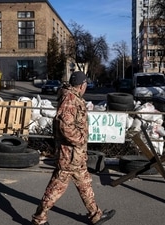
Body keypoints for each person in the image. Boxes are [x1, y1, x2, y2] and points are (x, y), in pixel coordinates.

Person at [31, 71, 115, 225]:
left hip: (76, 155)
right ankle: (39, 219)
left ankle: (96, 214)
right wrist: (80, 139)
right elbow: (65, 126)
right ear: (82, 85)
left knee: (84, 183)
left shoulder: (73, 97)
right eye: (85, 85)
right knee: (56, 188)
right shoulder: (70, 99)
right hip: (69, 155)